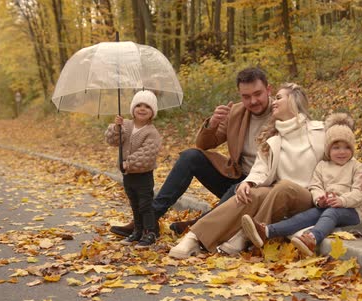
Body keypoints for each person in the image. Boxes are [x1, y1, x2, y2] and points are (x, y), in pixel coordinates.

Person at [168, 83, 362, 259]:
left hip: (312, 198)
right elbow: (260, 170)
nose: (273, 102)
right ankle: (194, 238)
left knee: (283, 187)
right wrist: (247, 184)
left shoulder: (320, 130)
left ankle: (244, 236)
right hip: (279, 198)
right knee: (253, 194)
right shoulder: (272, 140)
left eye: (279, 97)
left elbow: (347, 154)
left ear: (294, 100)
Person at [110, 67, 273, 237]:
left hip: (263, 185)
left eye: (257, 94)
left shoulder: (281, 112)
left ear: (269, 90)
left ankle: (196, 225)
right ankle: (150, 217)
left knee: (236, 188)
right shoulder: (236, 112)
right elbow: (203, 144)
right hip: (237, 176)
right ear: (240, 95)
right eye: (246, 96)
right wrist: (213, 123)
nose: (252, 101)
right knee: (191, 156)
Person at [241, 113, 362, 257]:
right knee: (307, 216)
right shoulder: (322, 166)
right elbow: (316, 186)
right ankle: (267, 231)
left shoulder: (357, 167)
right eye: (336, 147)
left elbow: (360, 193)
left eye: (347, 147)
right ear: (328, 149)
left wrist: (341, 201)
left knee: (331, 213)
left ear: (353, 149)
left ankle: (312, 238)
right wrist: (320, 199)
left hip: (352, 211)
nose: (342, 152)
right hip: (328, 206)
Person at [105, 90, 162, 248]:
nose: (142, 109)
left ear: (152, 112)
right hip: (128, 175)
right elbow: (113, 140)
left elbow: (148, 154)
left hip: (143, 176)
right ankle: (137, 230)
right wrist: (116, 127)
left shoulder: (152, 133)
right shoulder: (126, 125)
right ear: (132, 109)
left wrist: (128, 163)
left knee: (145, 204)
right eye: (138, 105)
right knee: (134, 203)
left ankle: (150, 232)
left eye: (147, 107)